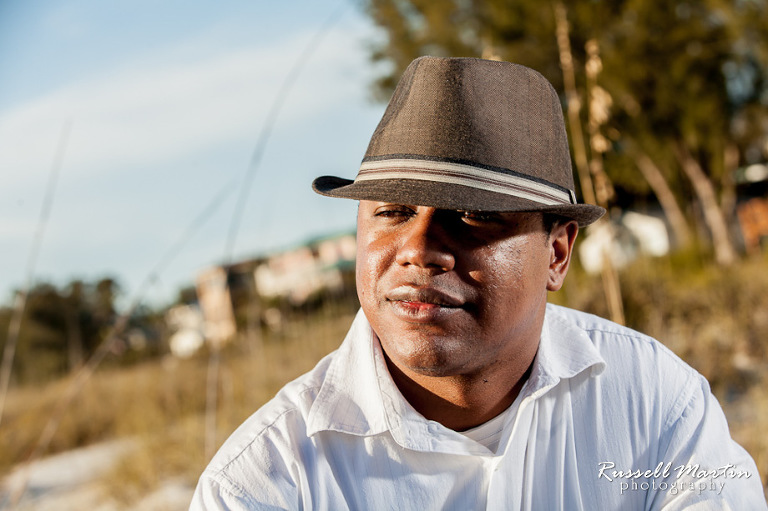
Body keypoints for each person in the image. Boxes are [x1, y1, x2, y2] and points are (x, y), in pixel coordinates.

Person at [191, 56, 766, 510]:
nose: (417, 248)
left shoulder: (657, 401)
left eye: (472, 215)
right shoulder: (265, 484)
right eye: (392, 212)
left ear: (558, 254)